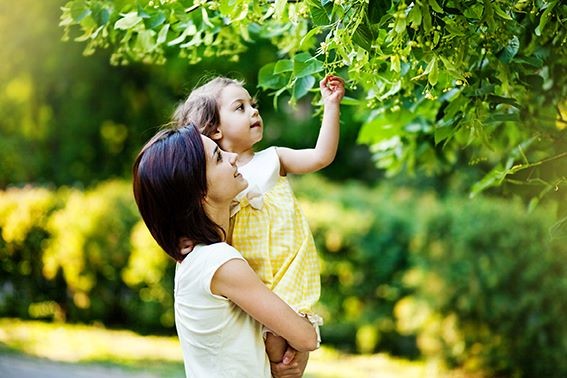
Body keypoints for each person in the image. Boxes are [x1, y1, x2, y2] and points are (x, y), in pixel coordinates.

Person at [172, 74, 345, 370]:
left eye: (253, 104)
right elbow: (206, 228)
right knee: (273, 352)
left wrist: (331, 107)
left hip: (288, 271)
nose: (254, 111)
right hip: (254, 281)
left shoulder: (274, 159)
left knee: (289, 351)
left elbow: (320, 157)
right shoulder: (214, 180)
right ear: (213, 129)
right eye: (240, 107)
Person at [132, 125, 319, 377]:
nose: (232, 157)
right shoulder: (219, 262)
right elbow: (305, 337)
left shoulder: (200, 259)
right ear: (199, 191)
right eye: (219, 157)